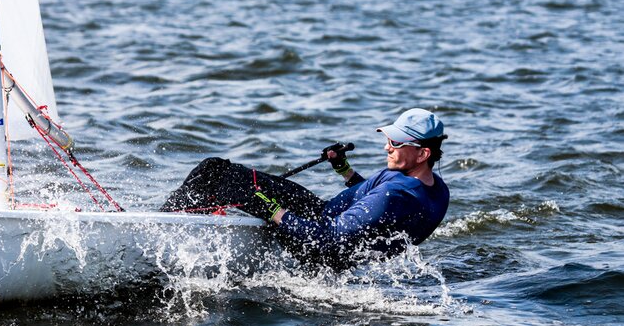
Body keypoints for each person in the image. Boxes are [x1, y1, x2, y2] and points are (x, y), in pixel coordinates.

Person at [159, 108, 450, 270]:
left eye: (397, 143)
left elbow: (328, 239)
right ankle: (171, 221)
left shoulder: (396, 195)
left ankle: (157, 230)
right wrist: (344, 169)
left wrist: (272, 211)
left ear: (423, 154)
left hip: (311, 236)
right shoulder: (435, 189)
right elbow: (371, 204)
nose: (388, 146)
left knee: (216, 174)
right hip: (320, 219)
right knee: (218, 170)